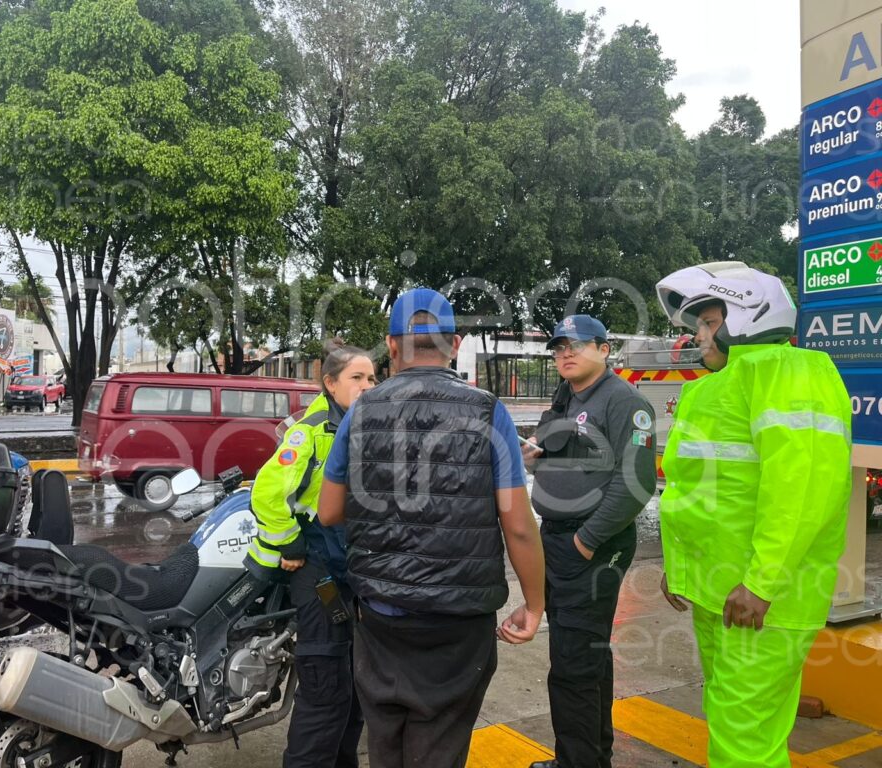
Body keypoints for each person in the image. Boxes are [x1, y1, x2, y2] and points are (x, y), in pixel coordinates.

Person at [317, 287, 546, 768]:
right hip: (456, 622)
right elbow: (518, 524)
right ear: (455, 343)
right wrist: (534, 603)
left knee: (385, 742)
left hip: (380, 615)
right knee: (438, 745)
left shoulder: (360, 411)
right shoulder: (487, 412)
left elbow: (329, 512)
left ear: (392, 346)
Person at [654, 261, 852, 768]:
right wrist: (680, 570)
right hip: (717, 589)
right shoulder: (721, 384)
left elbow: (802, 487)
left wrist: (763, 582)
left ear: (746, 313)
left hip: (763, 596)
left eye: (707, 322)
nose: (697, 336)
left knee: (743, 737)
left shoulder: (786, 370)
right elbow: (703, 492)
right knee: (732, 716)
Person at [521, 314, 657, 768]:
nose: (566, 353)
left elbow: (634, 481)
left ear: (604, 349)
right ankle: (590, 757)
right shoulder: (565, 399)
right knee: (587, 655)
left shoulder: (623, 401)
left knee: (574, 664)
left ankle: (577, 763)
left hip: (593, 546)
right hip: (559, 540)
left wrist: (586, 540)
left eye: (577, 344)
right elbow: (559, 461)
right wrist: (533, 457)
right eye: (559, 346)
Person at [244, 339, 378, 768]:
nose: (367, 385)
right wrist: (291, 543)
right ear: (329, 383)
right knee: (325, 679)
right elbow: (267, 493)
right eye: (357, 377)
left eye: (372, 377)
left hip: (352, 570)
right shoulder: (312, 429)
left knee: (354, 684)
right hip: (318, 572)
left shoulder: (364, 426)